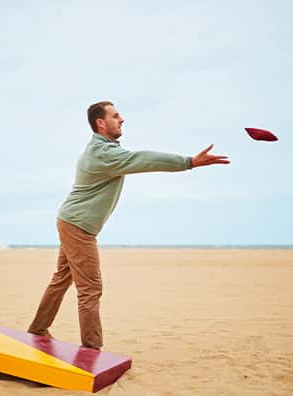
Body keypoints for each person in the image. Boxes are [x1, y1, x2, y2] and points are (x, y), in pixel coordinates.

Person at [28, 100, 230, 350]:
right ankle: (92, 350)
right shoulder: (104, 154)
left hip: (72, 222)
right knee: (90, 288)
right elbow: (144, 159)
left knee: (62, 279)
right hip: (78, 227)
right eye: (115, 116)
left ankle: (37, 329)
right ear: (101, 123)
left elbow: (138, 158)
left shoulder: (104, 150)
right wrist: (188, 162)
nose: (122, 120)